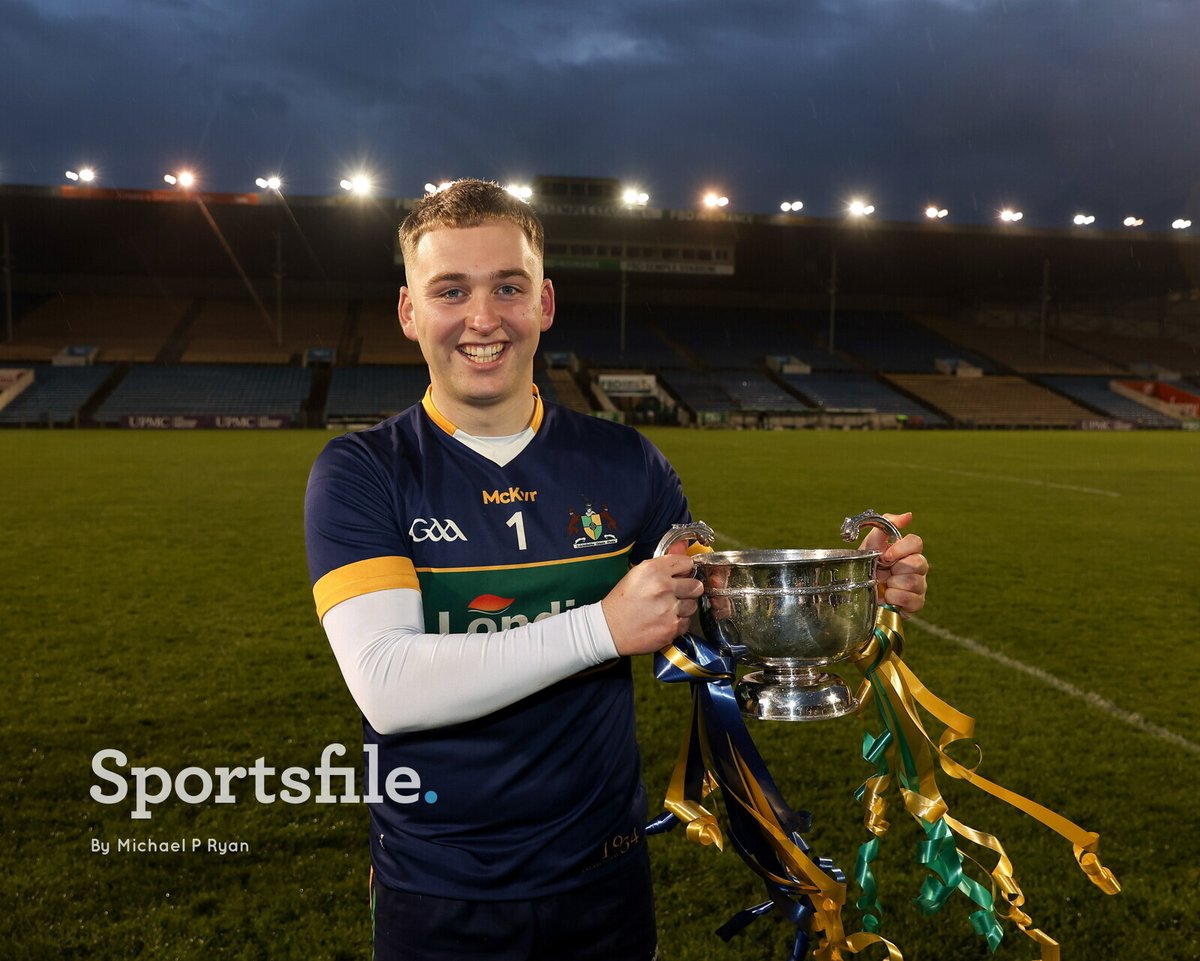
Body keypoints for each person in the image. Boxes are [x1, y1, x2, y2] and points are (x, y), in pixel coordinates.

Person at [304, 179, 928, 961]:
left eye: (509, 287)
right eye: (451, 290)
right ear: (408, 312)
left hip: (605, 881)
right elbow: (389, 686)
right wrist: (600, 626)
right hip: (443, 892)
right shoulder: (362, 472)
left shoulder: (625, 461)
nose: (483, 317)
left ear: (546, 302)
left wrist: (848, 590)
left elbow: (709, 623)